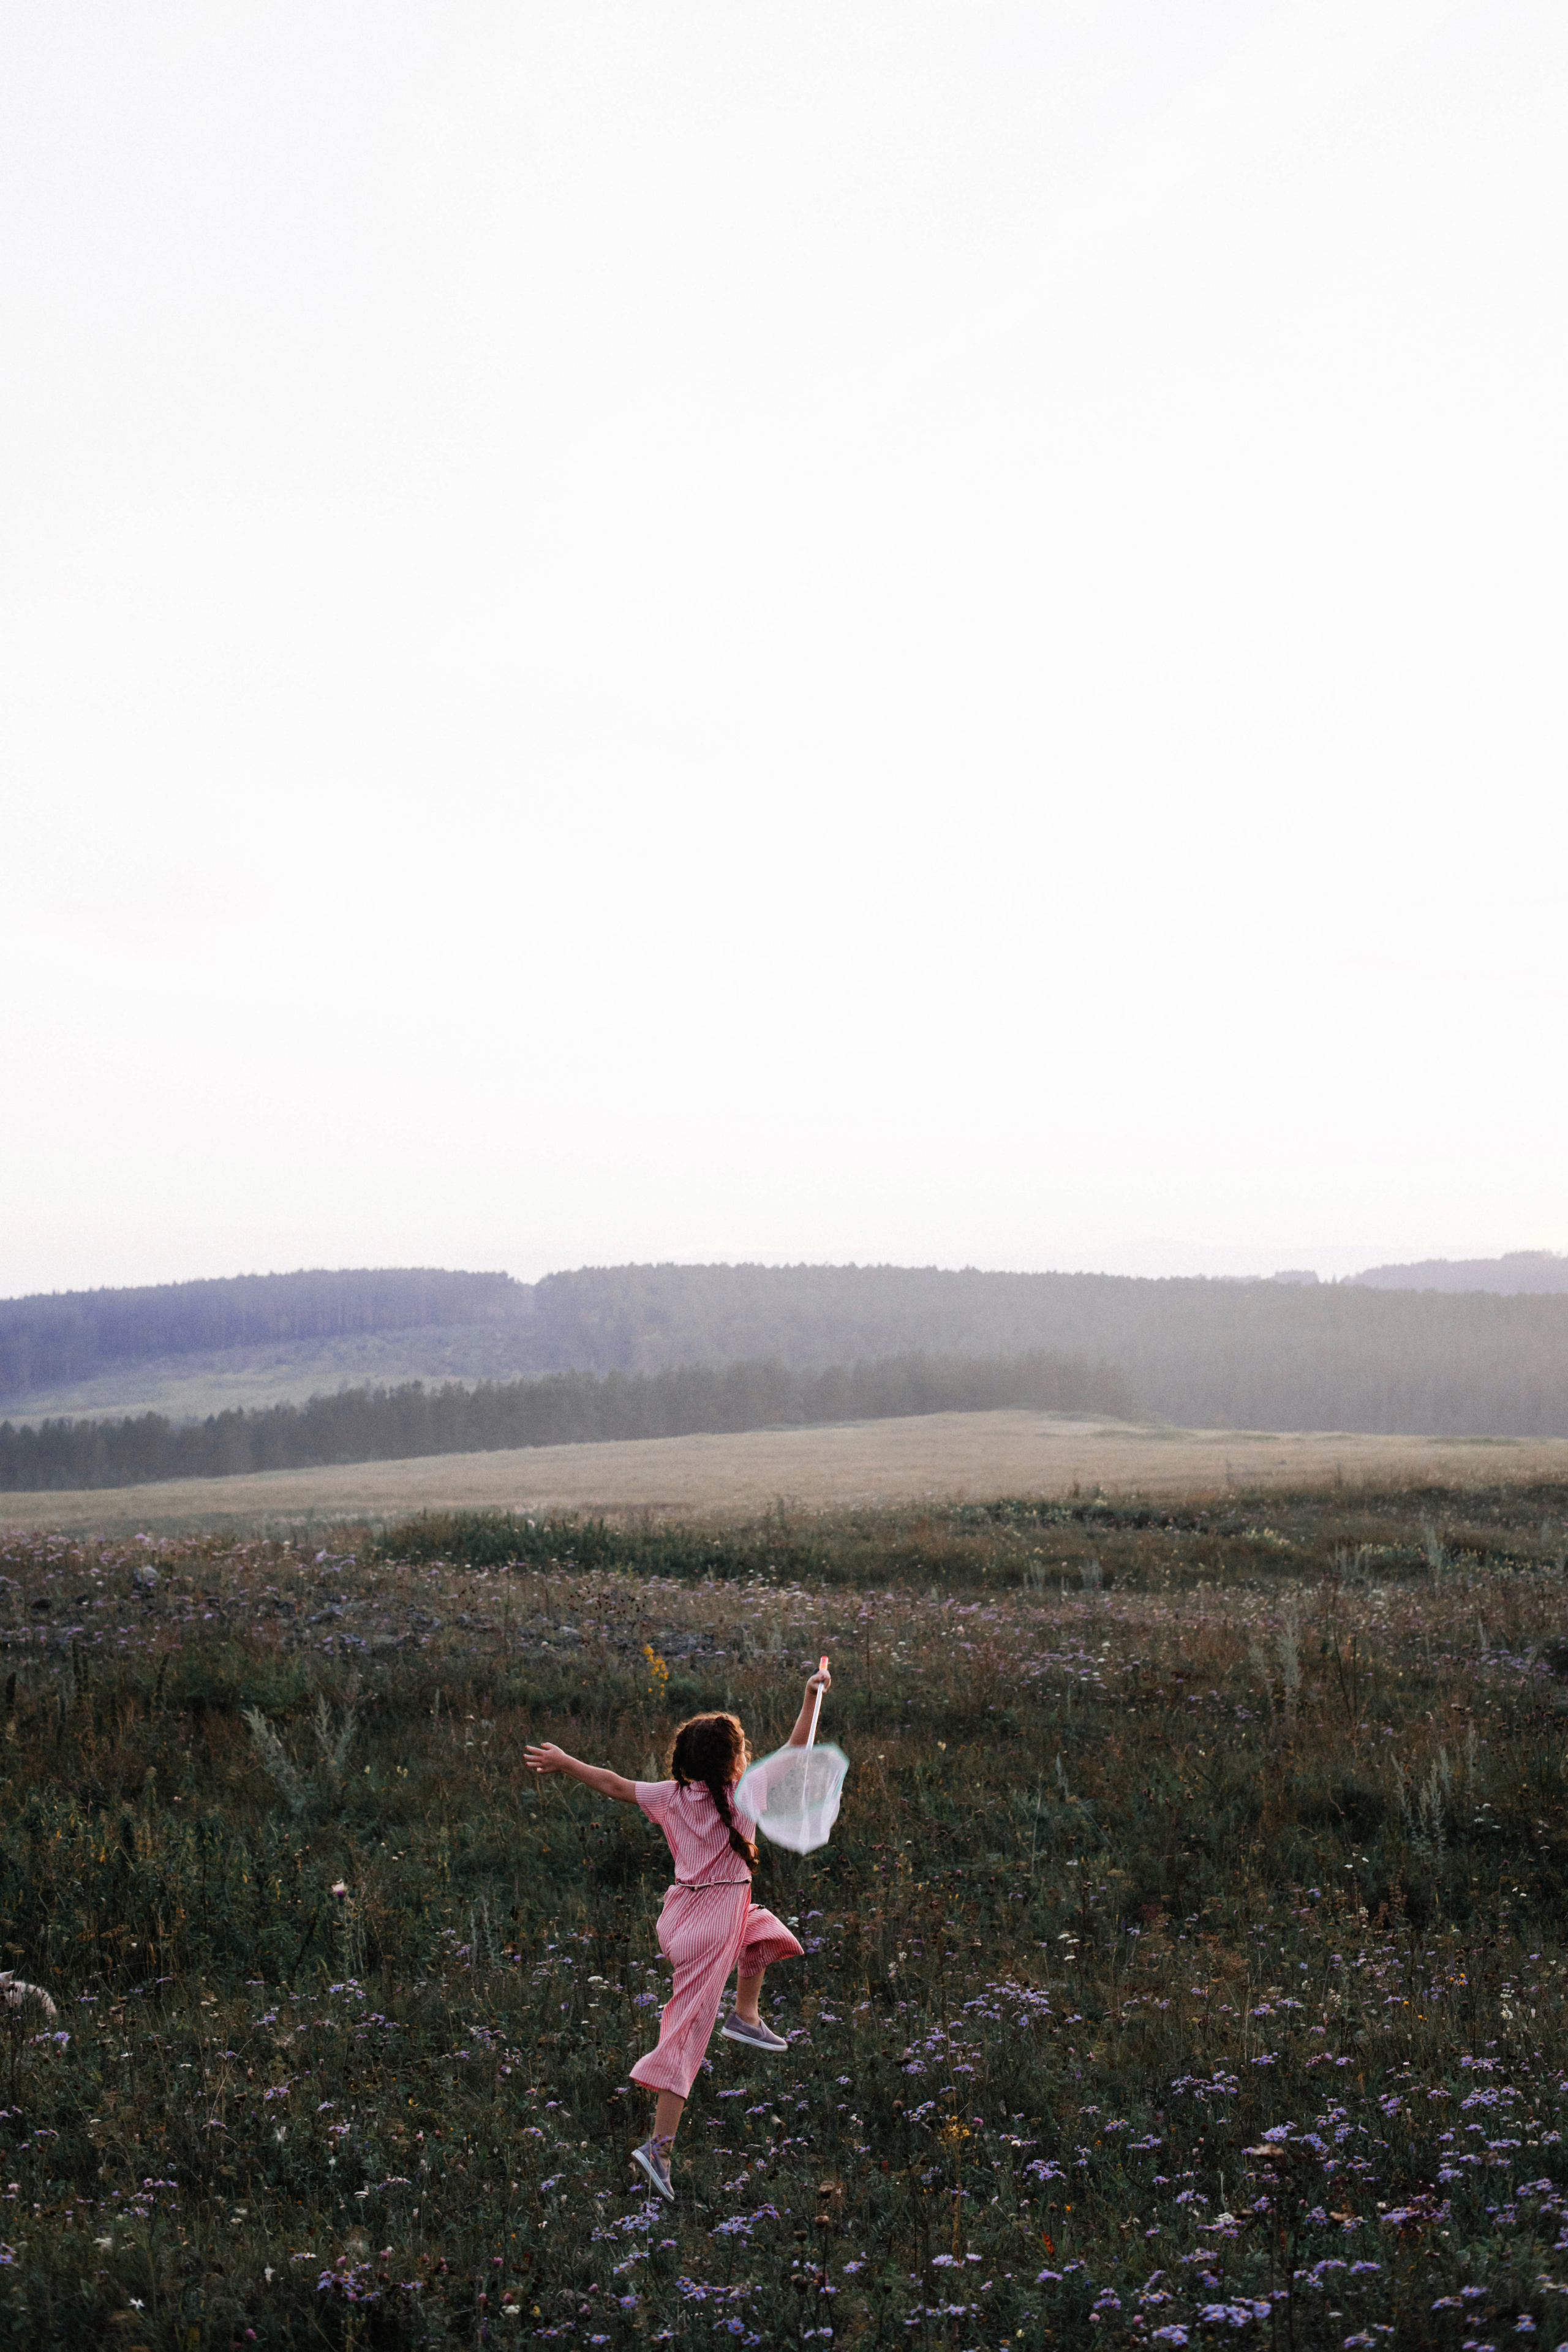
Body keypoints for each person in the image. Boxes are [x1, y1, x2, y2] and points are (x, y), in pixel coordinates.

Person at [524, 1663, 831, 2201]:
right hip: (711, 1928)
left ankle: (746, 2016)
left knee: (762, 1931)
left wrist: (565, 1761)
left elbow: (612, 1783)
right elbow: (796, 1746)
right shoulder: (745, 1793)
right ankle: (659, 2148)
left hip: (681, 1919)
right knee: (686, 2034)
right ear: (735, 1762)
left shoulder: (670, 1795)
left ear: (684, 1763)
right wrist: (812, 1695)